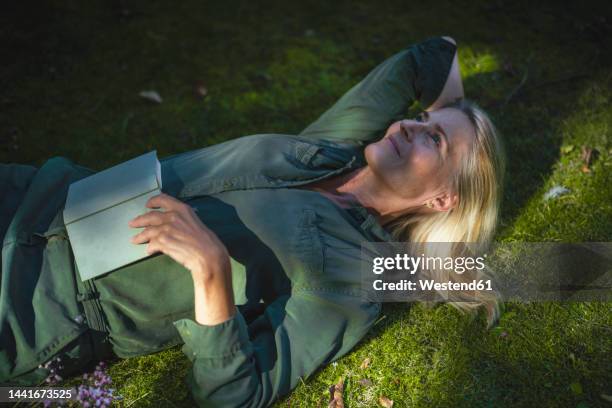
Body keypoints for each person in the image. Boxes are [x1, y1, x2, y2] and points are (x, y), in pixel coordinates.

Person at [0, 36, 505, 406]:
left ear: (444, 200)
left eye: (432, 140)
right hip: (39, 194)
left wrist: (211, 270)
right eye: (421, 120)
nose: (409, 125)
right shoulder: (331, 149)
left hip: (42, 301)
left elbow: (238, 394)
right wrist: (455, 118)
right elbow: (431, 56)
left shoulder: (353, 276)